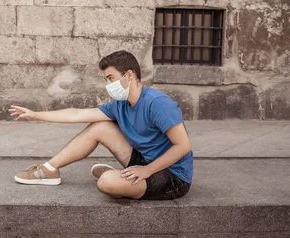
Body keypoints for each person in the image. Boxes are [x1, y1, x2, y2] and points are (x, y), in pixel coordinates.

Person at [10, 50, 192, 200]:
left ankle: (120, 179)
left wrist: (148, 170)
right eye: (105, 79)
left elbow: (183, 146)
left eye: (110, 78)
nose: (107, 84)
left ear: (128, 75)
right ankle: (49, 170)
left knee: (106, 183)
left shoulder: (158, 103)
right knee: (99, 126)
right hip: (144, 159)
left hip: (172, 174)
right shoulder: (120, 105)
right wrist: (36, 115)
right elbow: (77, 114)